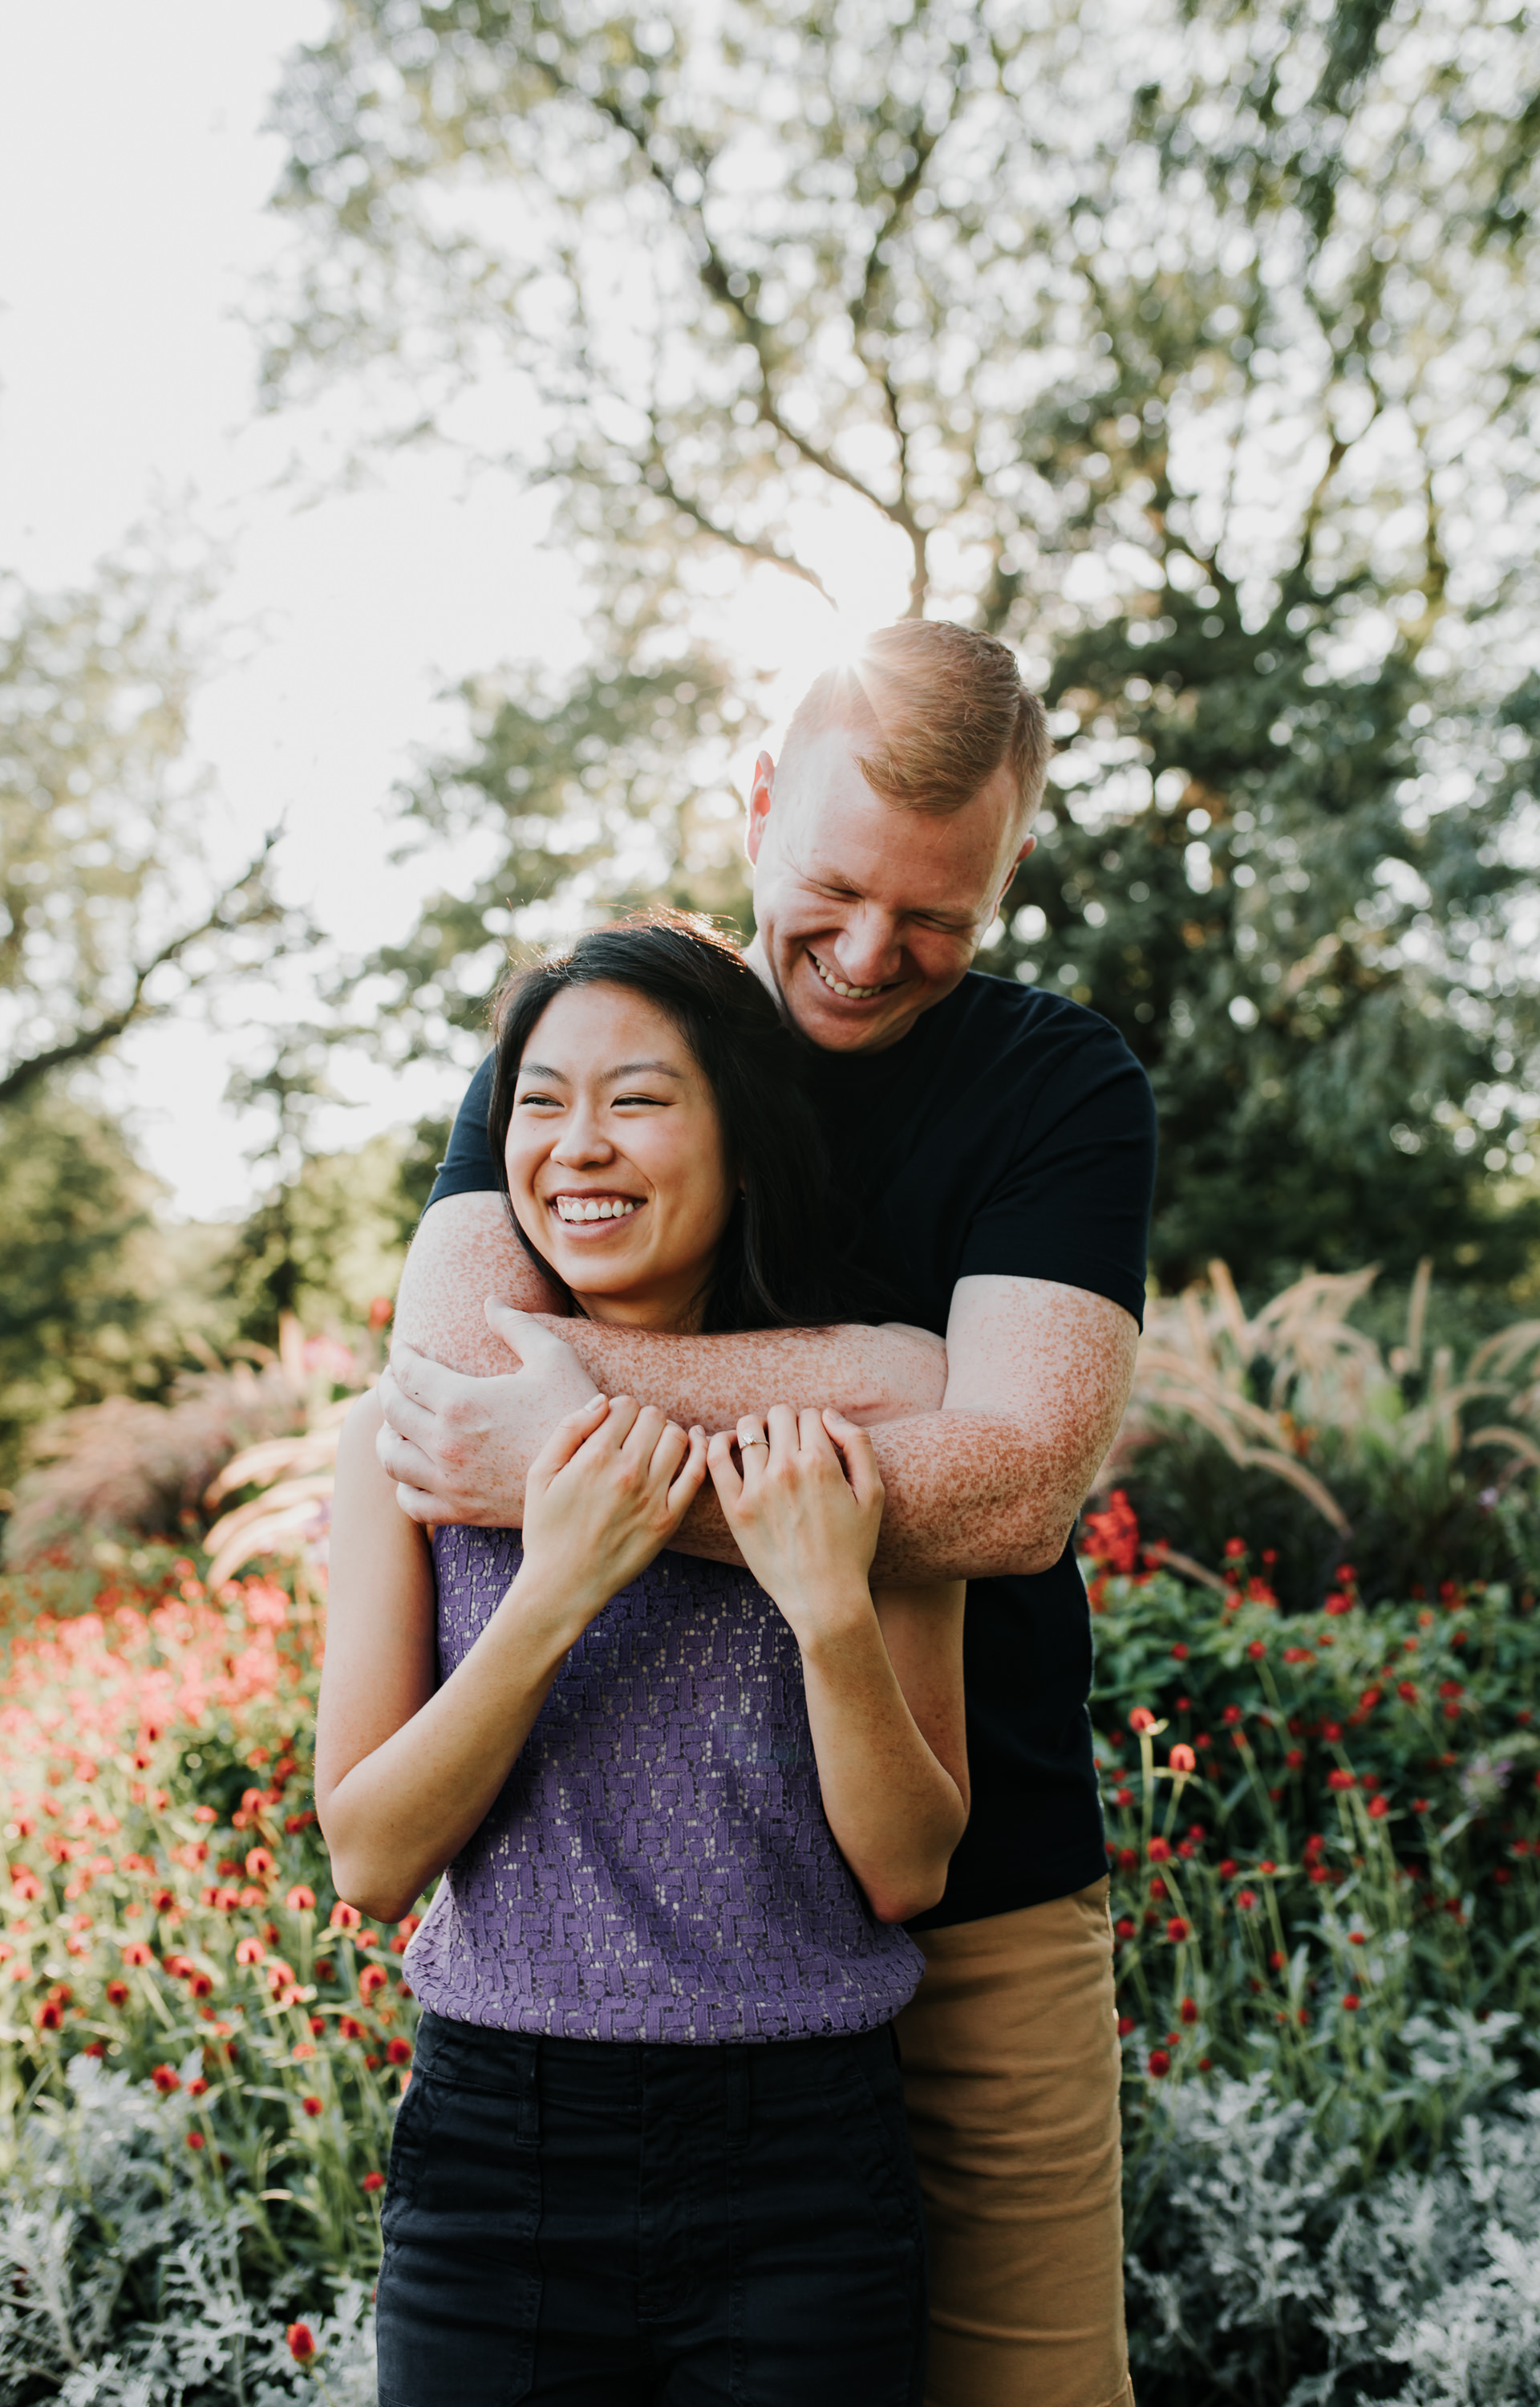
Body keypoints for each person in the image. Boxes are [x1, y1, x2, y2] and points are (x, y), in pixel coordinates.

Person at [378, 619, 1157, 2407]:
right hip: (616, 1943)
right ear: (754, 805)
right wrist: (882, 1390)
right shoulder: (606, 1039)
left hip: (974, 1886)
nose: (874, 954)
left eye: (939, 919)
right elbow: (446, 1398)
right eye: (835, 888)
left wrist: (586, 1441)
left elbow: (1017, 1486)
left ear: (1008, 877)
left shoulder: (1058, 1088)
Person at [318, 916, 969, 2405]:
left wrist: (828, 1609)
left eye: (639, 1098)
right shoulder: (405, 1443)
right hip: (498, 2164)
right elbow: (368, 1856)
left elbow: (910, 1869)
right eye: (540, 1103)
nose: (579, 1148)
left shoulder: (855, 1440)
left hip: (804, 2170)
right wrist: (556, 1589)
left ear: (743, 1133)